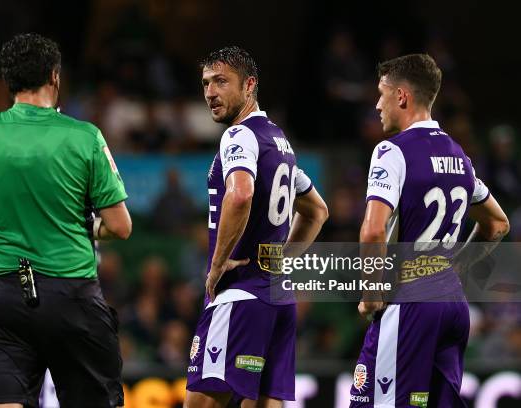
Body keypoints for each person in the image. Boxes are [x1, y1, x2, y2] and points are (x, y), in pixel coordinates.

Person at [0, 33, 131, 408]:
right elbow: (119, 226)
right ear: (55, 76)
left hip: (1, 298)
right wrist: (85, 226)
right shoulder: (85, 137)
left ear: (7, 82)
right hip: (71, 298)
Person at [350, 54, 510, 407]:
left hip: (410, 302)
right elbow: (497, 224)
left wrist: (371, 293)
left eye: (382, 94)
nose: (377, 105)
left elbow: (373, 230)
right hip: (452, 305)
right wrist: (455, 267)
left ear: (402, 97)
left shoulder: (392, 151)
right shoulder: (459, 156)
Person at [184, 46, 329, 408]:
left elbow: (240, 195)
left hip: (240, 295)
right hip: (278, 300)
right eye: (205, 83)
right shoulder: (278, 141)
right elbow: (316, 210)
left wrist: (217, 266)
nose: (210, 93)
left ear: (249, 85)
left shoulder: (239, 136)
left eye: (221, 81)